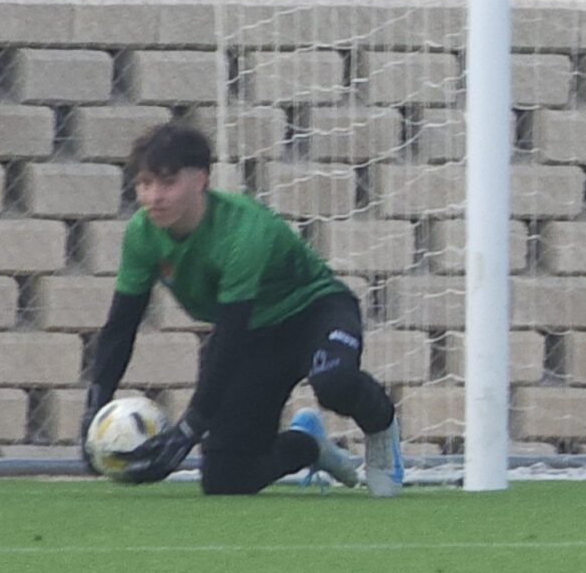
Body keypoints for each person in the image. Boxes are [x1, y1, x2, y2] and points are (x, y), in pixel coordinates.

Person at [81, 122, 403, 496]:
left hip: (314, 312)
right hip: (256, 334)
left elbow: (228, 336)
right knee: (226, 479)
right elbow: (121, 326)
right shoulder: (141, 234)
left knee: (333, 382)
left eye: (167, 183)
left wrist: (189, 428)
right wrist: (94, 411)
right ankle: (308, 445)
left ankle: (382, 427)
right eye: (144, 184)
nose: (154, 197)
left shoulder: (243, 230)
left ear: (201, 179)